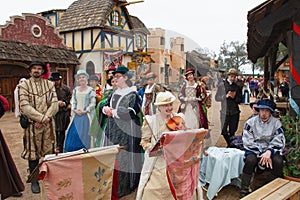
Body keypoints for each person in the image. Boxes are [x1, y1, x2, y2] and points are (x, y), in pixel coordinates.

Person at [137, 91, 200, 199]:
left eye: (170, 104)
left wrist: (185, 132)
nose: (169, 107)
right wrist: (154, 149)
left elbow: (187, 135)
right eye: (166, 105)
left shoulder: (179, 118)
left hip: (177, 158)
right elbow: (144, 141)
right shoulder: (151, 121)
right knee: (154, 188)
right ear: (159, 106)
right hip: (159, 160)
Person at [102, 65, 142, 199]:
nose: (115, 78)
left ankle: (126, 186)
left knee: (125, 157)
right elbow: (105, 105)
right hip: (112, 129)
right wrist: (106, 110)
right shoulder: (114, 92)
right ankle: (112, 186)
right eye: (114, 76)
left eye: (118, 76)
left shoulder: (133, 94)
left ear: (125, 78)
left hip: (127, 131)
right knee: (113, 156)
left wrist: (112, 112)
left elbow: (131, 113)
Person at [18, 61, 58, 194]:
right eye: (34, 68)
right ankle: (34, 180)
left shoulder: (50, 84)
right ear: (30, 71)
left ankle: (49, 178)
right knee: (33, 154)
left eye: (39, 68)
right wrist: (40, 118)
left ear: (43, 71)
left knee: (49, 153)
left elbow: (54, 104)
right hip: (32, 126)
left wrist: (46, 118)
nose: (36, 70)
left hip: (48, 125)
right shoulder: (23, 86)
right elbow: (24, 106)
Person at [240, 99, 285, 197]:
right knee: (250, 160)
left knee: (278, 161)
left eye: (267, 111)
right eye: (262, 110)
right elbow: (248, 140)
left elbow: (279, 139)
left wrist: (269, 151)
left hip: (270, 149)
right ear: (258, 111)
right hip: (254, 149)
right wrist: (261, 153)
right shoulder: (250, 123)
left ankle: (275, 188)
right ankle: (244, 189)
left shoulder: (276, 123)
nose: (264, 113)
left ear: (270, 112)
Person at [64, 70, 96, 152]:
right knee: (74, 133)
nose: (82, 79)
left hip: (86, 116)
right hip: (77, 115)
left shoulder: (90, 90)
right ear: (77, 80)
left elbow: (92, 103)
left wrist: (85, 111)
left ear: (86, 79)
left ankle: (85, 150)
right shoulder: (75, 90)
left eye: (83, 77)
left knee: (85, 134)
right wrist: (75, 110)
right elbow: (73, 101)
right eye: (80, 77)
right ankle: (73, 151)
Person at [215, 68, 242, 147]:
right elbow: (217, 98)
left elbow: (240, 100)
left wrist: (234, 97)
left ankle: (230, 146)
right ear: (228, 76)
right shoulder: (222, 85)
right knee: (223, 130)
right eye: (231, 76)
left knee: (232, 131)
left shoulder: (237, 87)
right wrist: (225, 96)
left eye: (234, 77)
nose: (233, 78)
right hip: (224, 111)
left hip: (234, 111)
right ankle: (230, 144)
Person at [88, 76, 117, 147]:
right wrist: (105, 108)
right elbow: (102, 103)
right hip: (107, 119)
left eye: (116, 81)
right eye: (113, 82)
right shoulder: (109, 93)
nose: (114, 83)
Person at [49, 72, 71, 153]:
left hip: (63, 112)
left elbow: (69, 97)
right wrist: (55, 103)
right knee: (54, 132)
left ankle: (60, 147)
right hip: (53, 112)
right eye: (54, 80)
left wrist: (64, 103)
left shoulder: (65, 88)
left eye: (57, 80)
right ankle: (54, 148)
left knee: (62, 131)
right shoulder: (49, 89)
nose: (56, 82)